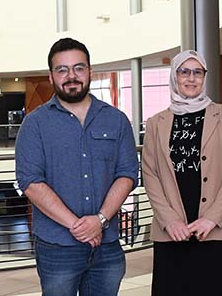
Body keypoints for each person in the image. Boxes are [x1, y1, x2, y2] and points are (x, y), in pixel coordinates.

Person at [15, 37, 139, 296]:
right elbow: (31, 182)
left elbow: (127, 173)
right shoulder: (34, 124)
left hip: (107, 247)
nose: (71, 76)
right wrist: (80, 226)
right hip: (56, 248)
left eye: (79, 68)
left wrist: (100, 220)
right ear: (51, 77)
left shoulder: (116, 120)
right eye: (62, 70)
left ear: (90, 72)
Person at [142, 50, 222, 295]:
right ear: (174, 76)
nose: (191, 78)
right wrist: (169, 220)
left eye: (197, 72)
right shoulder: (156, 123)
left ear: (205, 77)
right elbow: (150, 174)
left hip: (217, 230)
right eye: (184, 72)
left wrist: (212, 218)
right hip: (172, 233)